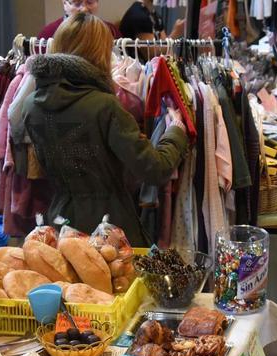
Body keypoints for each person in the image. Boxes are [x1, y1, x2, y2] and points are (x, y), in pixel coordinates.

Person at [20, 13, 188, 244]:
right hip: (110, 226)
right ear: (99, 53)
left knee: (71, 280)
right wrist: (176, 130)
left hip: (61, 222)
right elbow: (155, 168)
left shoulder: (31, 106)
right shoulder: (104, 106)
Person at [37, 0, 120, 39]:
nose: (84, 9)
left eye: (90, 2)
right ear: (64, 4)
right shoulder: (48, 34)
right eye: (77, 3)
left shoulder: (111, 31)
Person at [118, 0, 185, 40]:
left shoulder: (154, 14)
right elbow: (152, 54)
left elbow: (165, 47)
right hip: (138, 63)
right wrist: (175, 33)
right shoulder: (138, 15)